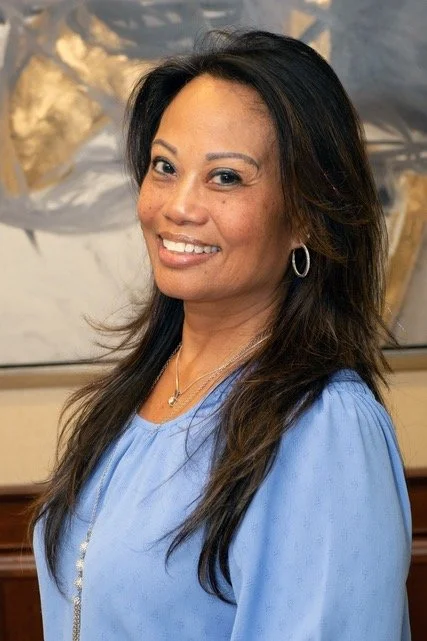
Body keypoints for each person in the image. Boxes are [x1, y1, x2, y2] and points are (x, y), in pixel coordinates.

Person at [32, 29, 411, 641]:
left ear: (307, 216)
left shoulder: (322, 427)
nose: (178, 206)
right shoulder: (136, 392)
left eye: (226, 177)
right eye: (165, 166)